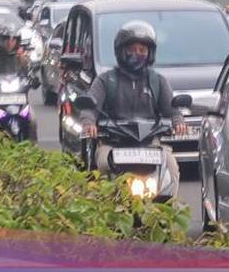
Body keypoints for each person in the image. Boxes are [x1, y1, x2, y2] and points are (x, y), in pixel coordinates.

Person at [79, 21, 185, 181]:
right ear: (121, 51)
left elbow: (172, 109)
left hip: (151, 144)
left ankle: (168, 204)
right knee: (102, 164)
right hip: (113, 144)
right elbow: (90, 106)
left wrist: (178, 121)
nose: (137, 53)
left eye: (142, 50)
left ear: (150, 53)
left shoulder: (158, 81)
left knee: (171, 166)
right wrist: (89, 122)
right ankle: (106, 203)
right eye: (132, 49)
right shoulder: (105, 80)